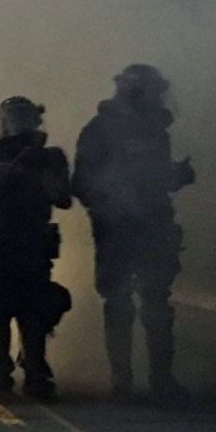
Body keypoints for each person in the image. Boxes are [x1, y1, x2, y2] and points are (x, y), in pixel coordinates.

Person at [72, 64, 194, 402]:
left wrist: (175, 176)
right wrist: (110, 202)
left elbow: (155, 178)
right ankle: (122, 380)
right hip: (117, 227)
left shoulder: (156, 132)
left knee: (156, 301)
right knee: (119, 302)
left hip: (153, 222)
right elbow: (81, 182)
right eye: (153, 91)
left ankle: (161, 379)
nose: (159, 98)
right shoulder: (100, 130)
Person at [0, 97, 71, 399]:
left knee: (34, 304)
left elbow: (63, 198)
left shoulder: (49, 157)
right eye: (14, 117)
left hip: (34, 239)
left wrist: (32, 176)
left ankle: (34, 366)